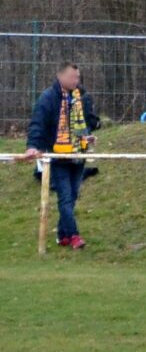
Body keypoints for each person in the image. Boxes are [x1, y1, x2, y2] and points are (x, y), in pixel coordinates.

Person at [22, 62, 100, 249]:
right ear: (61, 77)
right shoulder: (48, 98)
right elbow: (37, 124)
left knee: (72, 196)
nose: (76, 80)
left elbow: (86, 122)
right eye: (73, 77)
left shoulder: (81, 97)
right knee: (65, 197)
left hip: (78, 154)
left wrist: (88, 135)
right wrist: (33, 146)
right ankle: (73, 235)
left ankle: (62, 234)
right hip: (57, 155)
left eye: (78, 77)